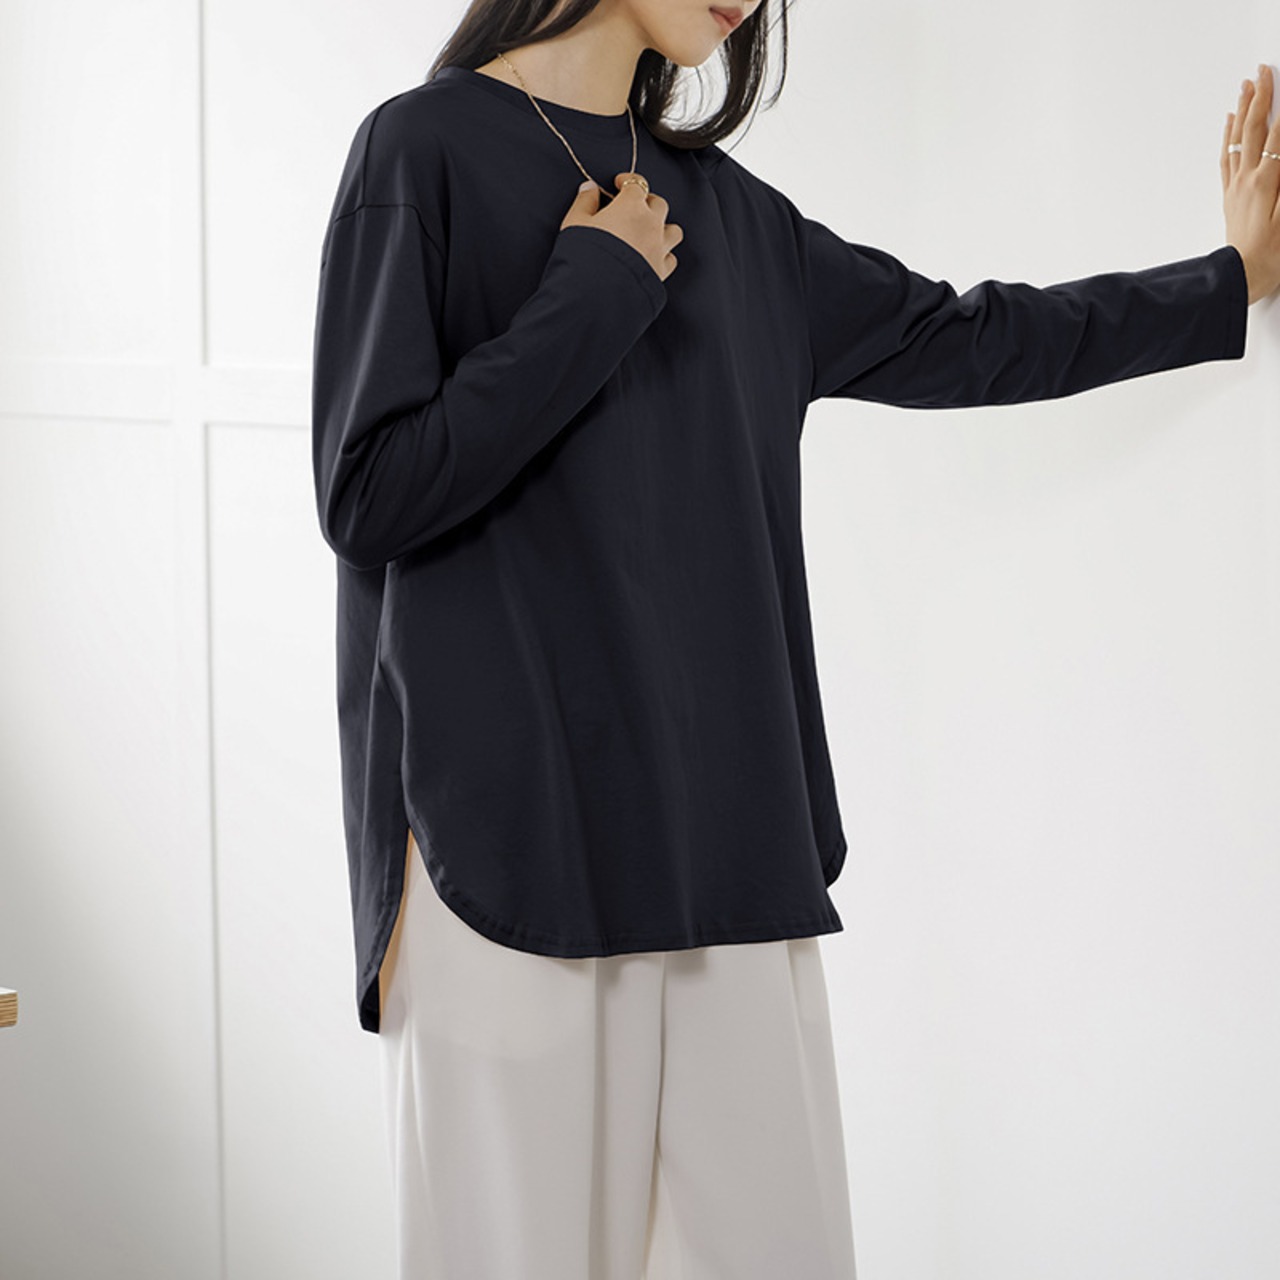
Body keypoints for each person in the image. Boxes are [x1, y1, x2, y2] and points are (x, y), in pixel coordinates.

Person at [310, 0, 1280, 1270]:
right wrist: (588, 294)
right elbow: (367, 492)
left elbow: (973, 335)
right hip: (504, 855)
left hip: (724, 853)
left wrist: (1229, 279)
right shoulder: (419, 151)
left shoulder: (734, 219)